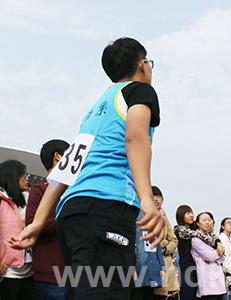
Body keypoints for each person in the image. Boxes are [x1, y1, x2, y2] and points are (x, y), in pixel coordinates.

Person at [10, 37, 165, 300]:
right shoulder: (138, 91)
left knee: (86, 292)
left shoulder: (93, 112)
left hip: (72, 216)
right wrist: (147, 199)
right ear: (142, 65)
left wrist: (38, 222)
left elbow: (66, 169)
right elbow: (136, 139)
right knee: (106, 292)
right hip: (107, 207)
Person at [25, 139, 69, 300]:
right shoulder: (39, 189)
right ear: (58, 156)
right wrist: (66, 219)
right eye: (70, 155)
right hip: (50, 276)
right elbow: (31, 224)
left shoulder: (72, 191)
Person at [174, 205, 223, 300]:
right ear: (180, 216)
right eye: (188, 213)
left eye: (192, 213)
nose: (191, 215)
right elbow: (201, 235)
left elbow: (211, 234)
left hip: (198, 268)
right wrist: (217, 243)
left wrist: (218, 242)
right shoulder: (179, 229)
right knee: (188, 295)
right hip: (187, 268)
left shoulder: (194, 229)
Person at [0, 160, 33, 300]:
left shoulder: (28, 200)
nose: (27, 179)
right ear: (14, 177)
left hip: (30, 272)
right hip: (8, 273)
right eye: (24, 175)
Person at [151, 186, 180, 300]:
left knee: (166, 294)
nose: (156, 199)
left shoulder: (164, 217)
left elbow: (173, 239)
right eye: (153, 196)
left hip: (167, 264)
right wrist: (161, 244)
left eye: (158, 196)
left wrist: (165, 249)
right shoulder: (142, 216)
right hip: (151, 263)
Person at [191, 212, 226, 300]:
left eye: (209, 220)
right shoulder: (196, 239)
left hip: (218, 278)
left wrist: (219, 253)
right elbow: (209, 256)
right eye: (204, 220)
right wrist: (219, 251)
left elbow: (223, 257)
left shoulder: (213, 238)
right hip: (207, 279)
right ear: (198, 223)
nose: (207, 222)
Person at [131, 211, 165, 300]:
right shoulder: (132, 232)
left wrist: (162, 268)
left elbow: (159, 252)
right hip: (137, 271)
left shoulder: (154, 232)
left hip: (152, 271)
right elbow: (130, 252)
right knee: (137, 294)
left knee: (149, 294)